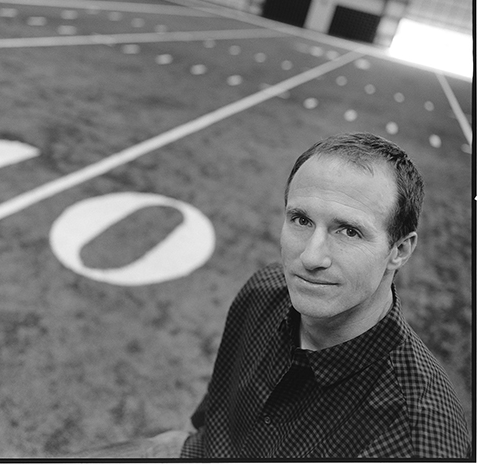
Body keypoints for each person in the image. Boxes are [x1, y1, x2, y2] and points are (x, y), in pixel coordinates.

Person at [176, 132, 472, 458]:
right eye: (301, 220)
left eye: (349, 231)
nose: (311, 258)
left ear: (399, 250)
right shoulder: (263, 291)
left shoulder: (419, 440)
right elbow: (211, 418)